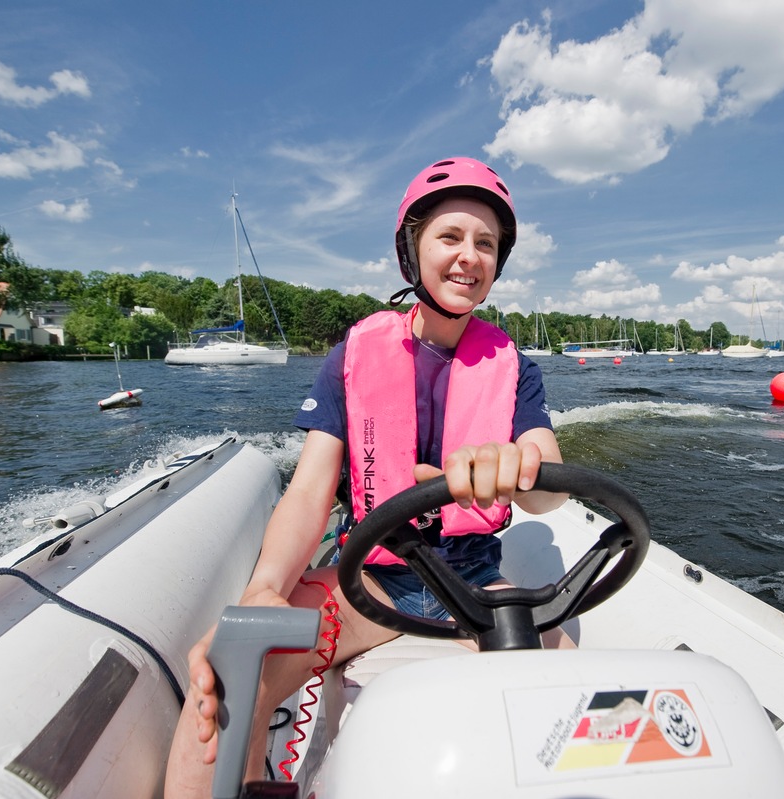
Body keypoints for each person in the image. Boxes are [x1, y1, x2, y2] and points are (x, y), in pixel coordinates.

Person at [164, 156, 570, 796]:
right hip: (372, 582)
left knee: (571, 703)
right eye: (451, 237)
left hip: (476, 583)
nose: (470, 256)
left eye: (486, 244)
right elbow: (310, 489)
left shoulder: (515, 368)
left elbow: (547, 483)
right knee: (229, 669)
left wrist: (520, 471)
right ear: (414, 251)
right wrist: (266, 586)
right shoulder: (351, 357)